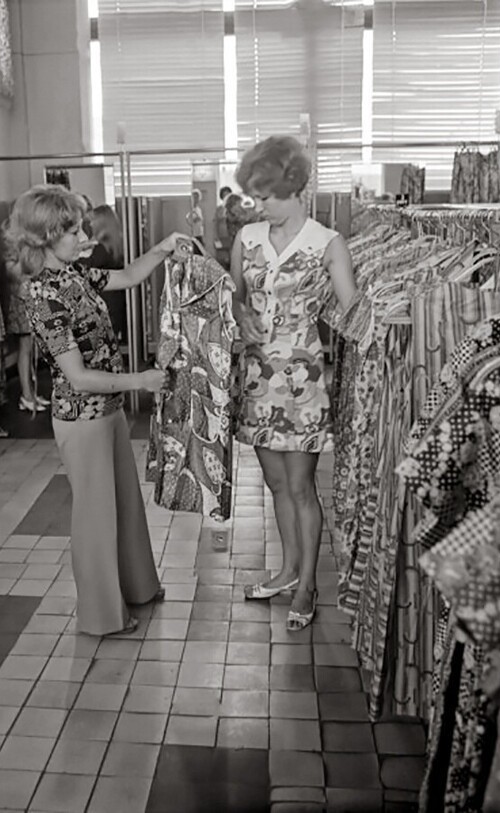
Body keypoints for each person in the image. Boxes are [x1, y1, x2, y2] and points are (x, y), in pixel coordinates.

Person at [5, 184, 187, 636]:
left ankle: (139, 588)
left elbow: (125, 277)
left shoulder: (74, 276)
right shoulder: (42, 296)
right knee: (94, 517)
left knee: (125, 505)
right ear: (46, 237)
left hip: (108, 411)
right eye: (72, 229)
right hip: (81, 419)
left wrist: (163, 249)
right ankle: (102, 615)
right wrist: (140, 382)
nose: (81, 236)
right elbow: (78, 377)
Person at [231, 136, 356, 631]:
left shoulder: (327, 242)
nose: (257, 205)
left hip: (303, 381)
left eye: (265, 195)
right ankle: (286, 571)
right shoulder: (248, 238)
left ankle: (307, 583)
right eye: (254, 196)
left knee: (302, 488)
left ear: (293, 187)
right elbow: (235, 299)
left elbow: (352, 308)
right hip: (258, 378)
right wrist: (242, 319)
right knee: (275, 483)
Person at [3, 226, 49, 413]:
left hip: (30, 300)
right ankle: (26, 395)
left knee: (30, 350)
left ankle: (31, 391)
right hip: (22, 303)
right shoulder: (13, 251)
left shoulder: (27, 247)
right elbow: (15, 275)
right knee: (25, 349)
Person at [85, 205, 127, 344]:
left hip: (105, 299)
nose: (90, 224)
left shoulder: (102, 248)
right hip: (116, 298)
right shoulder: (117, 243)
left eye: (93, 220)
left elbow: (86, 265)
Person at [214, 185, 233, 267]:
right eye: (224, 195)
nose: (226, 197)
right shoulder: (219, 208)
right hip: (222, 233)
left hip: (233, 233)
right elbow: (217, 222)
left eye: (228, 194)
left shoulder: (234, 207)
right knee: (223, 253)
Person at [186, 188, 205, 254]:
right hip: (192, 235)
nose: (196, 199)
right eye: (194, 197)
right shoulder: (189, 209)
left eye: (197, 197)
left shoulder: (198, 209)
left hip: (199, 234)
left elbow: (200, 222)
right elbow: (190, 220)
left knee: (200, 253)